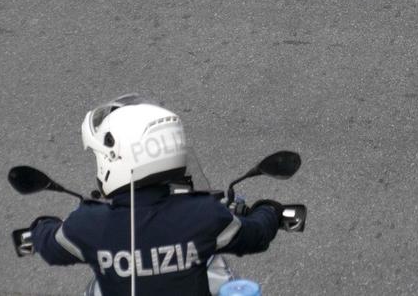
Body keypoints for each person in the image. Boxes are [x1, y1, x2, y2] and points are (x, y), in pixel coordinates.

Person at [29, 94, 283, 295]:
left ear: (115, 157)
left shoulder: (88, 224)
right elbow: (257, 234)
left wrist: (41, 226)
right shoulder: (205, 215)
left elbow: (49, 245)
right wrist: (270, 210)